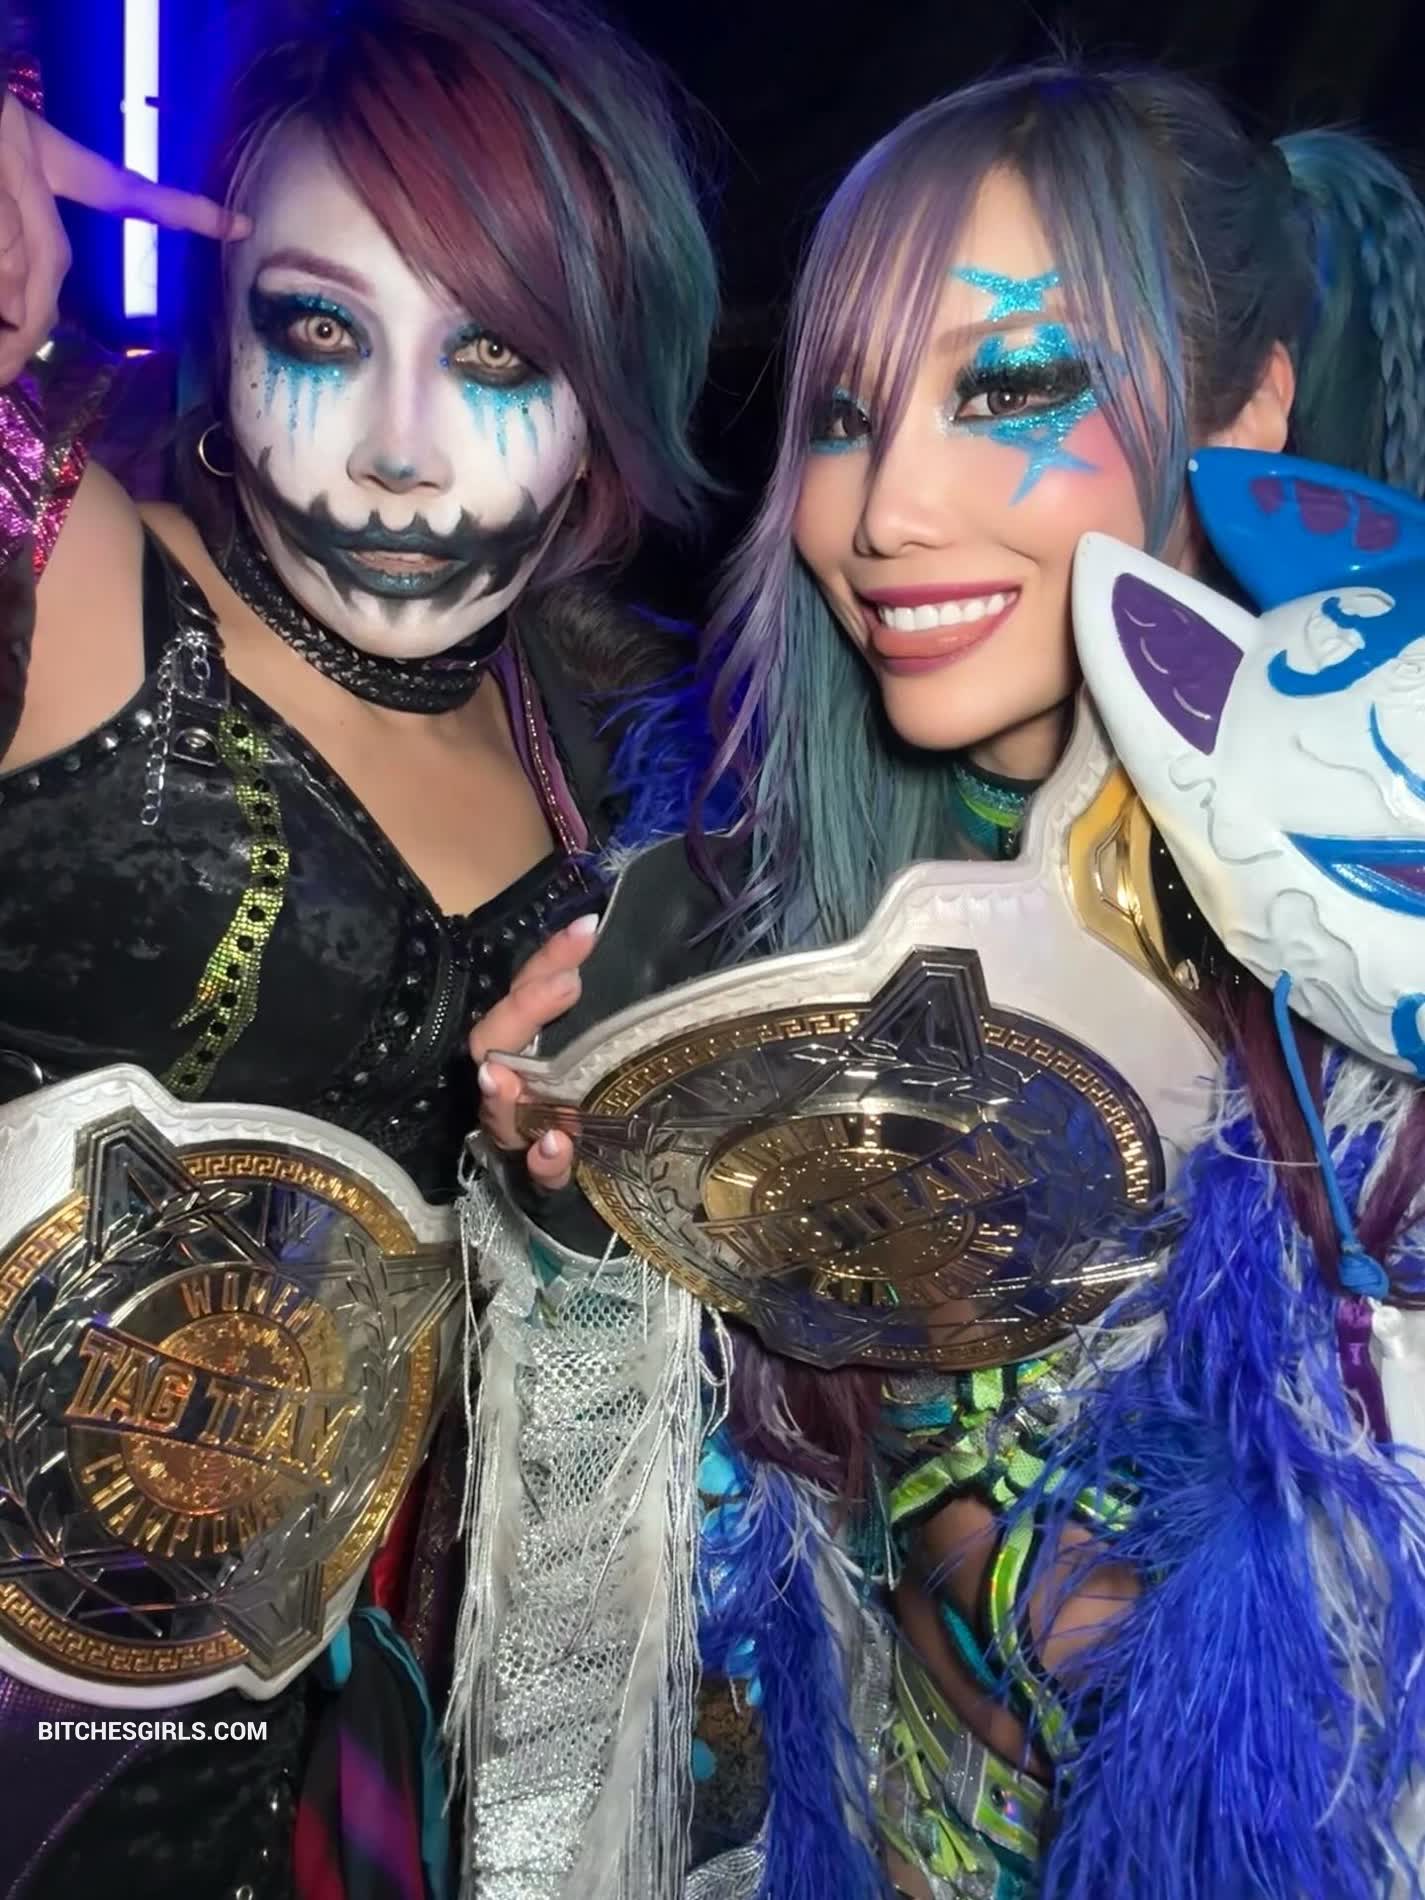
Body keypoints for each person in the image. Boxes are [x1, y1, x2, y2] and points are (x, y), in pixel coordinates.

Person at [477, 56, 1425, 1900]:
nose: (882, 511)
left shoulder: (1372, 971)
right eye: (842, 414)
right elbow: (616, 1695)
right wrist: (586, 1234)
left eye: (1009, 387)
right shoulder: (727, 905)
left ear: (1244, 414)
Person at [0, 2, 717, 1895]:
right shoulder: (66, 578)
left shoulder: (593, 758)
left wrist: (565, 1197)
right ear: (222, 335)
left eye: (497, 357)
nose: (401, 455)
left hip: (288, 1772)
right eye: (321, 333)